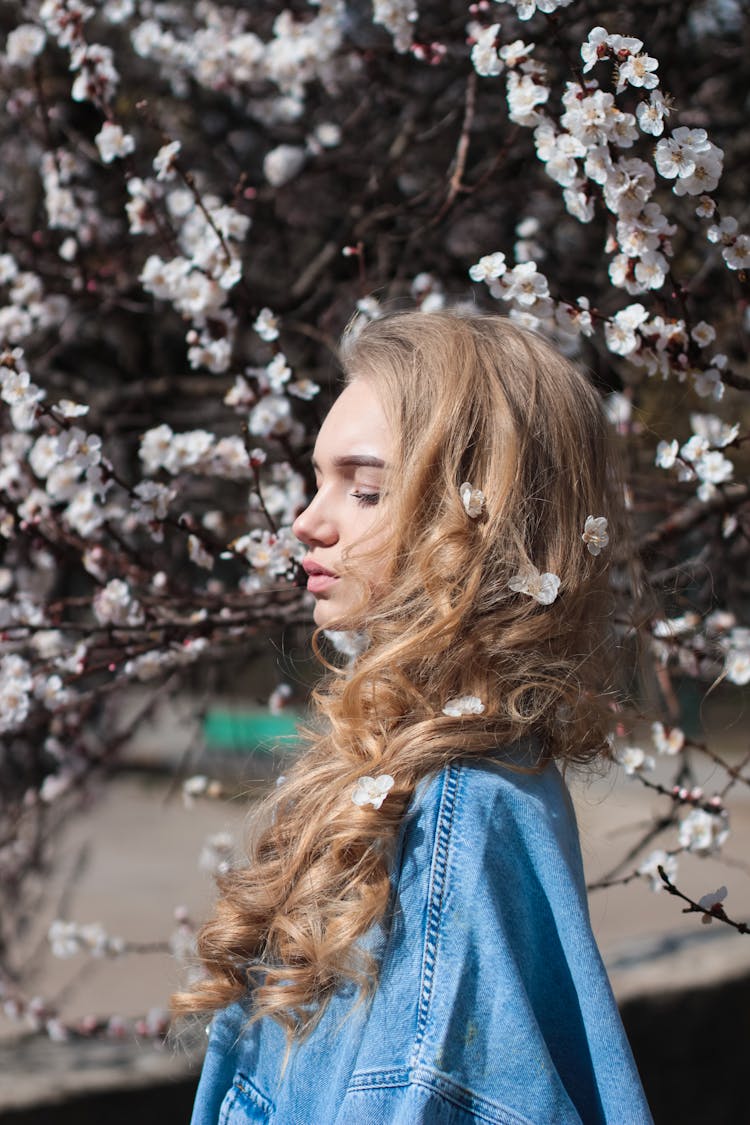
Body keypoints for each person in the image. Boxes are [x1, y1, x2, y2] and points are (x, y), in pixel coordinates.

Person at [176, 310, 653, 1124]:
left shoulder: (459, 808)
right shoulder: (421, 776)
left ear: (481, 517)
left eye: (363, 488)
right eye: (318, 479)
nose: (307, 521)